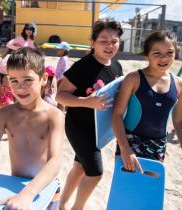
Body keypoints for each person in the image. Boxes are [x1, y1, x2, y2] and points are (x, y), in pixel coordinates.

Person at [0, 47, 64, 210]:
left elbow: (55, 160)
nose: (20, 87)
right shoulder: (5, 114)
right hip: (14, 185)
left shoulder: (54, 116)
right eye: (14, 80)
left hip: (46, 190)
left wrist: (28, 193)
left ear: (43, 79)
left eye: (27, 80)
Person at [56, 20, 123, 210]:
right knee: (95, 174)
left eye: (114, 41)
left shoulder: (117, 66)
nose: (109, 46)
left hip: (98, 128)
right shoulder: (83, 66)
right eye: (103, 41)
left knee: (79, 167)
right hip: (79, 126)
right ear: (92, 43)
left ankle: (61, 205)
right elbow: (60, 95)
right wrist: (86, 102)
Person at [112, 31, 182, 180]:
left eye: (170, 52)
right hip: (130, 142)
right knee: (127, 190)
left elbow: (180, 121)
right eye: (157, 53)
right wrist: (125, 148)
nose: (164, 58)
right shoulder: (133, 79)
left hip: (158, 145)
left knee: (148, 190)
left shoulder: (179, 84)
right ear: (147, 55)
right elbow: (117, 115)